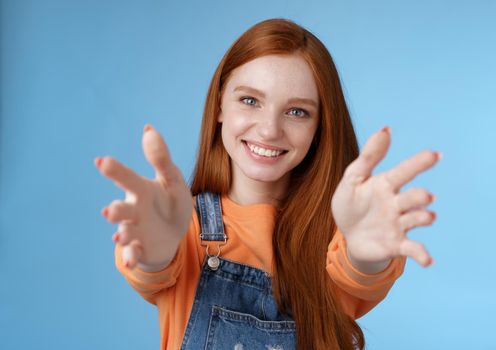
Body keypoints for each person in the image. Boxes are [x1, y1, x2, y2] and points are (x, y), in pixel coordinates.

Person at [94, 18, 440, 350]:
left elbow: (361, 273)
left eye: (297, 112)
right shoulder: (182, 229)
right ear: (219, 106)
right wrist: (152, 250)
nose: (269, 129)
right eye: (250, 100)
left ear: (320, 127)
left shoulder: (341, 237)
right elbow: (151, 267)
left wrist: (367, 256)